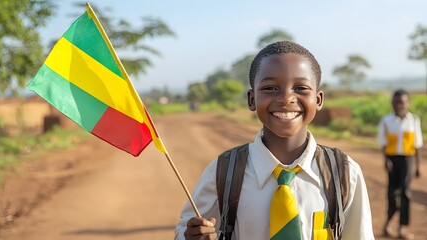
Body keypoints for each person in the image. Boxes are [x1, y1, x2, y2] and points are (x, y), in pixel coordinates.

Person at [175, 41, 374, 239]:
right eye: (270, 88)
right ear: (252, 99)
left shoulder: (344, 173)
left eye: (301, 88)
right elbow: (185, 231)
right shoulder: (223, 173)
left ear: (319, 99)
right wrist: (191, 236)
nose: (286, 98)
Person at [379, 89, 423, 239]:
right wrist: (386, 160)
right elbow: (383, 144)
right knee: (392, 194)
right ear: (392, 103)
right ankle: (388, 224)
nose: (400, 105)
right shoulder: (386, 121)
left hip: (408, 160)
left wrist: (418, 166)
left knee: (405, 193)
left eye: (403, 102)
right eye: (397, 102)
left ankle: (403, 228)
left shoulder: (414, 120)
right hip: (392, 160)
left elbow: (417, 145)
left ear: (408, 103)